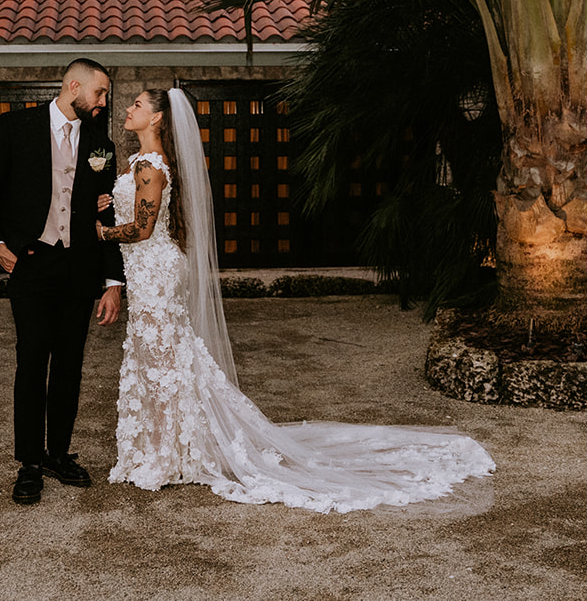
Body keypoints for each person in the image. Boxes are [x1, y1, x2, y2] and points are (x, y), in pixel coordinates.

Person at [97, 88, 496, 513]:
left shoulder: (149, 166)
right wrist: (110, 202)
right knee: (161, 359)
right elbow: (141, 215)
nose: (128, 109)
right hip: (150, 270)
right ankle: (168, 451)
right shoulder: (144, 164)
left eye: (137, 105)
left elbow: (141, 228)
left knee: (160, 360)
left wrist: (102, 232)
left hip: (154, 271)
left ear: (157, 119)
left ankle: (164, 456)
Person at [0, 59, 125, 506]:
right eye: (99, 93)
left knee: (70, 365)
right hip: (32, 264)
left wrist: (113, 281)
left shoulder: (101, 143)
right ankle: (30, 463)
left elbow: (106, 214)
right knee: (32, 362)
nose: (103, 102)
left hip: (79, 267)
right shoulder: (16, 127)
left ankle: (58, 453)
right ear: (73, 85)